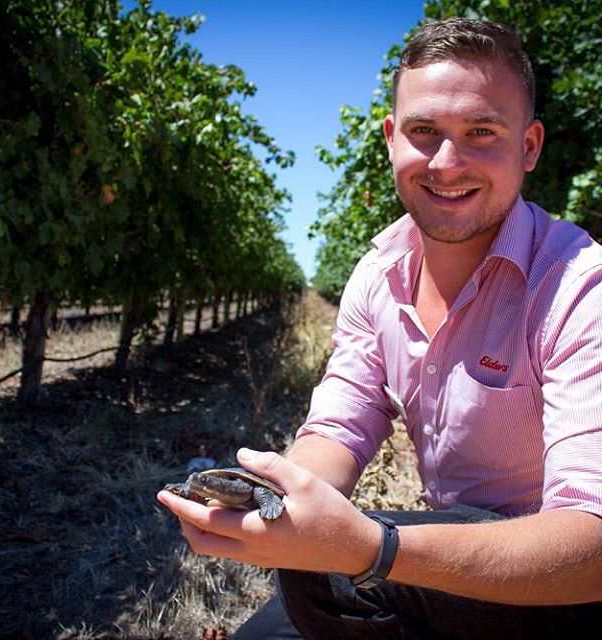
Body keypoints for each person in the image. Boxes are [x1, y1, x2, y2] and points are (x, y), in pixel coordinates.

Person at [158, 17, 602, 639]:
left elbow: (595, 546)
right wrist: (269, 498)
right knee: (296, 589)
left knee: (330, 574)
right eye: (425, 131)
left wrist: (373, 549)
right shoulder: (377, 276)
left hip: (562, 591)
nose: (447, 162)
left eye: (481, 132)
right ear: (393, 139)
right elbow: (340, 425)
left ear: (528, 146)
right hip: (452, 574)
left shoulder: (579, 285)